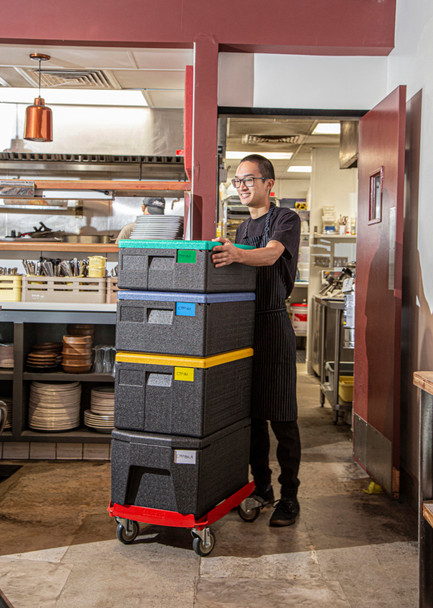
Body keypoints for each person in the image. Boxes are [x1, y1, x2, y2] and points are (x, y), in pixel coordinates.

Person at [212, 154, 301, 527]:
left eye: (249, 179)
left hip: (274, 326)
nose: (243, 186)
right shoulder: (241, 230)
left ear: (269, 184)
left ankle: (290, 498)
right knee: (253, 418)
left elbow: (270, 256)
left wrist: (236, 254)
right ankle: (261, 488)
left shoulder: (285, 218)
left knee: (282, 417)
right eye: (237, 181)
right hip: (245, 329)